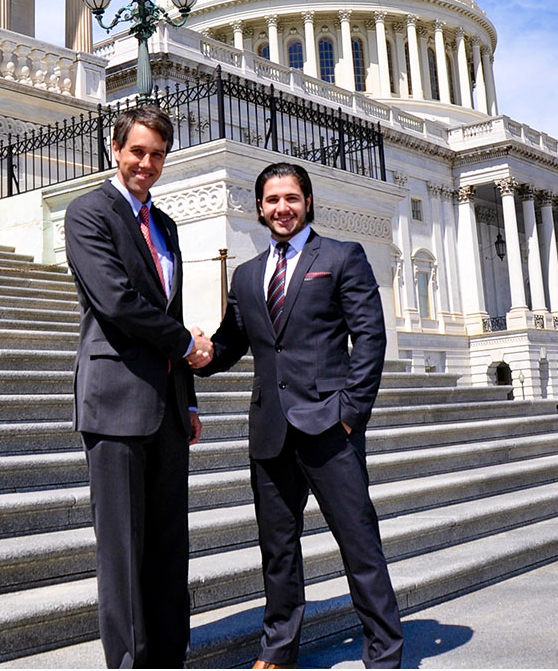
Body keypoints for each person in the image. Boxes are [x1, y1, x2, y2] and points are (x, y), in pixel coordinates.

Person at [192, 162, 403, 669]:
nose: (281, 208)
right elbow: (228, 345)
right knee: (278, 549)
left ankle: (385, 653)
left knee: (359, 543)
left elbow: (370, 337)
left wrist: (351, 413)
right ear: (260, 208)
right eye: (271, 200)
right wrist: (196, 351)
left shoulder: (341, 256)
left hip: (330, 427)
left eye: (291, 198)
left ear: (307, 201)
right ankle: (279, 649)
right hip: (270, 432)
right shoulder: (246, 275)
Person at [65, 105, 212, 669]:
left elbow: (168, 303)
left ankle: (170, 657)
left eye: (156, 154)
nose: (146, 164)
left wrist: (189, 396)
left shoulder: (167, 224)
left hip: (167, 408)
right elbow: (117, 301)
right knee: (123, 553)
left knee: (170, 547)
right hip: (115, 402)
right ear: (114, 149)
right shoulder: (89, 214)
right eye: (137, 152)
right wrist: (185, 344)